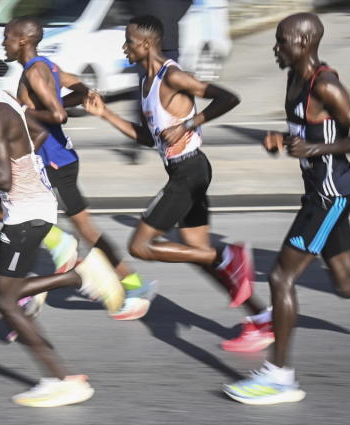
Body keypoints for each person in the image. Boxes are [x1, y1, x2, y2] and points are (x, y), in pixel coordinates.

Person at [0, 52, 125, 407]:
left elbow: (5, 178)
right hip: (29, 210)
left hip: (27, 216)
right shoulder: (4, 103)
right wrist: (24, 171)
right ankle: (78, 276)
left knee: (6, 300)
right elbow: (35, 132)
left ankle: (62, 378)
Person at [84, 15, 269, 324]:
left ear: (146, 43)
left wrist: (189, 123)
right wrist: (105, 113)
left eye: (128, 41)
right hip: (184, 172)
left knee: (140, 247)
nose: (124, 47)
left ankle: (227, 257)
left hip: (190, 170)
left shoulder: (173, 77)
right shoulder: (146, 84)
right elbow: (148, 138)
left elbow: (228, 98)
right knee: (196, 253)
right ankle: (262, 317)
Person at [224, 13, 350, 405]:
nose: (275, 47)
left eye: (281, 41)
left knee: (282, 278)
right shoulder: (294, 77)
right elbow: (309, 132)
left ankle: (278, 378)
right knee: (346, 284)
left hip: (330, 196)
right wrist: (283, 141)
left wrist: (317, 150)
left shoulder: (327, 85)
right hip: (318, 193)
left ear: (303, 43)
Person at [2, 15, 157, 321]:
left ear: (22, 40)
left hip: (55, 160)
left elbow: (58, 114)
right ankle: (127, 280)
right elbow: (83, 90)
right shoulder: (48, 67)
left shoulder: (35, 72)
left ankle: (131, 283)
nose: (2, 43)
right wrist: (43, 105)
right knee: (13, 209)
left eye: (6, 37)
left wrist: (22, 110)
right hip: (55, 159)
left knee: (73, 226)